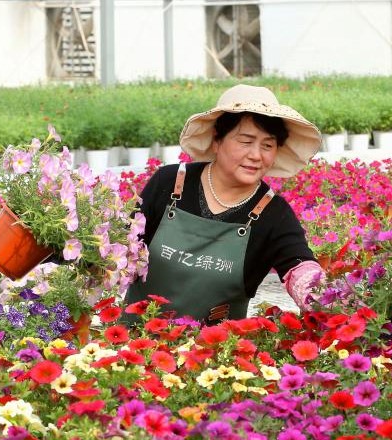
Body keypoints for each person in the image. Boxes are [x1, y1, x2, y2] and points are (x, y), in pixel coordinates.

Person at [121, 84, 326, 325]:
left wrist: (325, 298)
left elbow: (299, 265)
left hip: (215, 355)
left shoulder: (273, 213)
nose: (256, 155)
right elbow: (124, 245)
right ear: (217, 141)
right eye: (245, 141)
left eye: (267, 145)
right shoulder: (170, 182)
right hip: (136, 346)